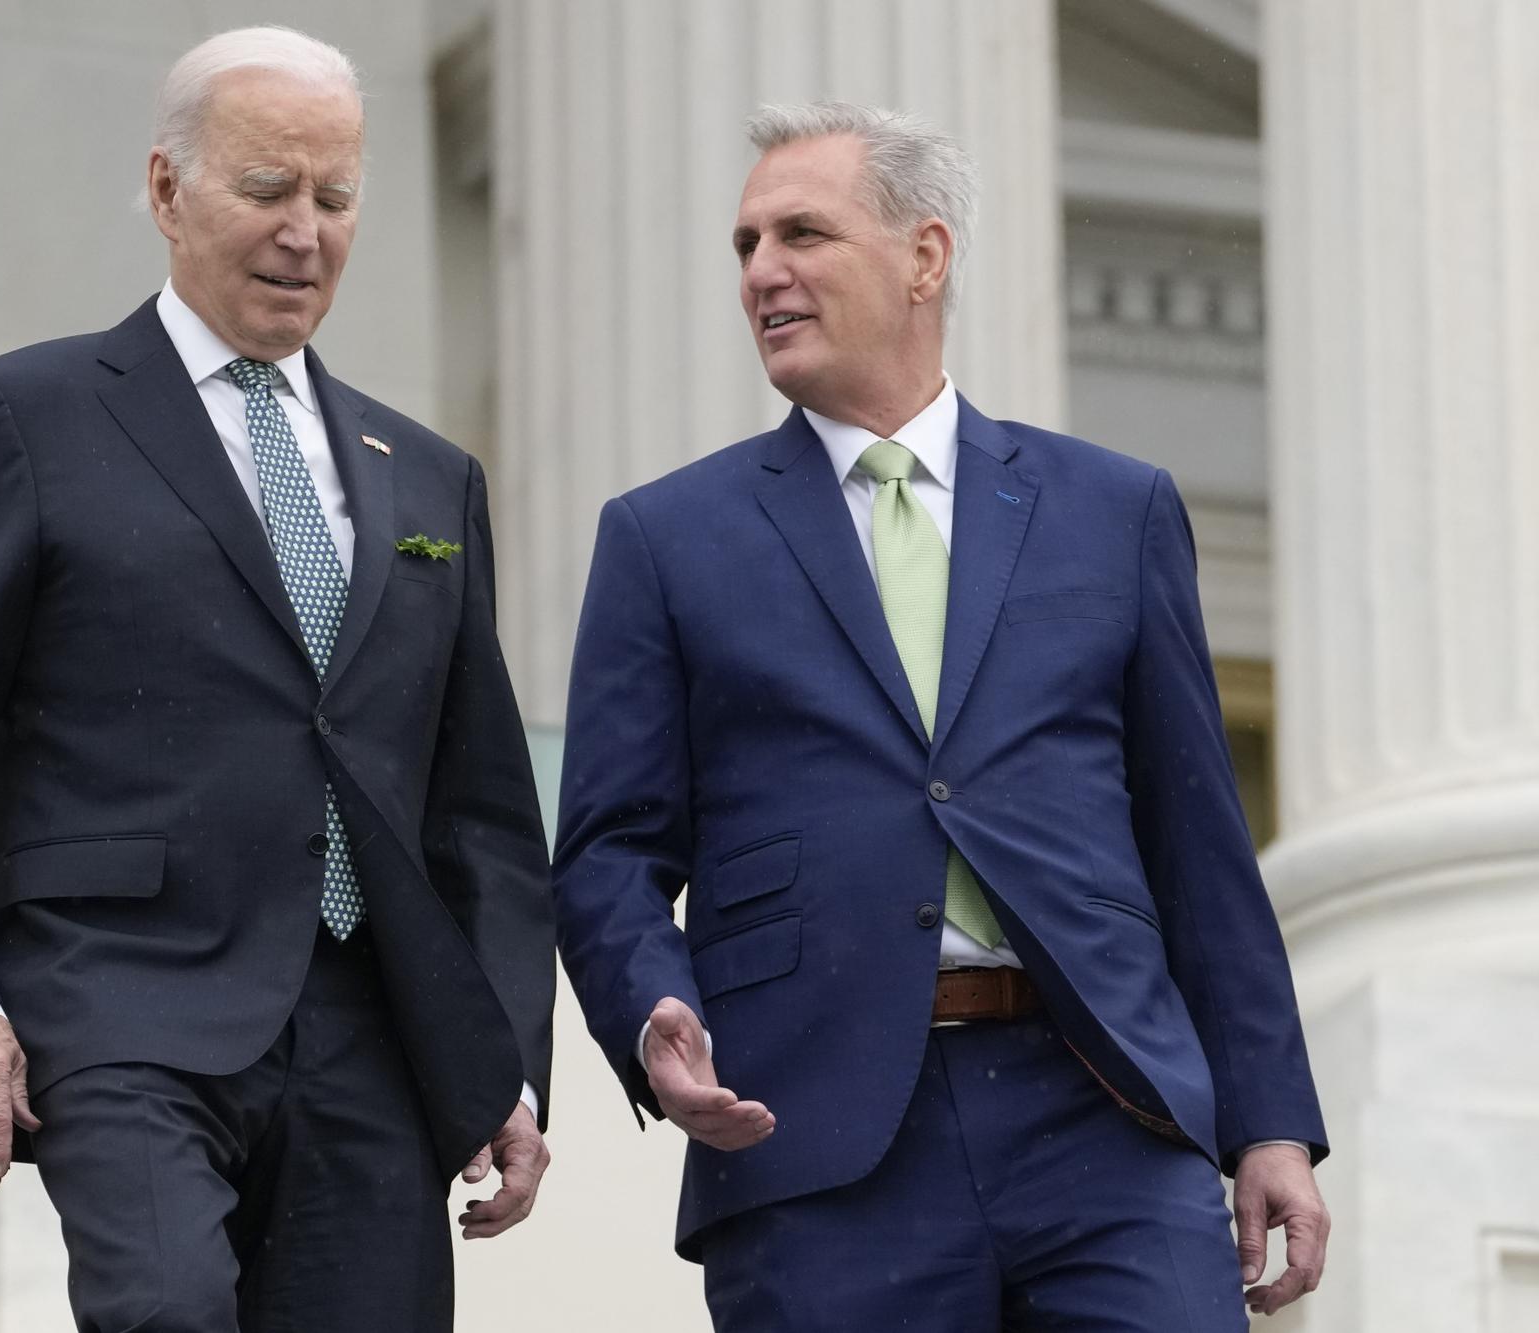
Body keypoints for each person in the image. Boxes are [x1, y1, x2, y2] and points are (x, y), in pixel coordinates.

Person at [552, 100, 1329, 1330]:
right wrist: (650, 1004)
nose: (762, 271)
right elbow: (605, 848)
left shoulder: (1110, 510)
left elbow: (1197, 846)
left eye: (802, 232)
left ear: (924, 256)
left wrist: (1269, 1118)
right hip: (814, 1135)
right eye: (745, 243)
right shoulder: (664, 537)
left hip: (1104, 1114)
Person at [0, 26, 554, 1331]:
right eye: (269, 190)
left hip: (373, 1032)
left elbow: (484, 813)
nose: (307, 231)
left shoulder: (429, 475)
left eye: (336, 199)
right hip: (120, 1000)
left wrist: (504, 1057)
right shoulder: (23, 419)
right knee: (167, 1309)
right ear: (170, 191)